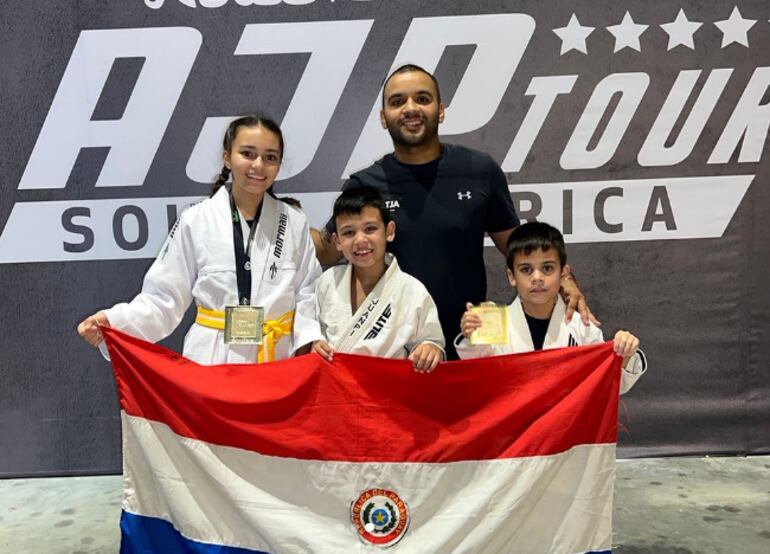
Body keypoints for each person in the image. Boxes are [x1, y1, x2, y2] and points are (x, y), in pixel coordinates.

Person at [312, 64, 594, 359]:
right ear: (384, 118)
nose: (410, 108)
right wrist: (283, 221)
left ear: (441, 110)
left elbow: (519, 247)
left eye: (422, 99)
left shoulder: (479, 170)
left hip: (470, 338)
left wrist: (564, 279)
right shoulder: (366, 184)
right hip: (396, 352)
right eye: (397, 102)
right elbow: (326, 249)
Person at [77, 115, 322, 364]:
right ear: (227, 157)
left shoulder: (293, 222)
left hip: (276, 359)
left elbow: (307, 292)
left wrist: (309, 340)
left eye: (270, 157)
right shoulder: (195, 219)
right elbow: (164, 298)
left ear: (279, 165)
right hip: (211, 359)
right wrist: (115, 322)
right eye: (247, 154)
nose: (258, 165)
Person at [456, 222, 646, 394]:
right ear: (511, 276)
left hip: (565, 429)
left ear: (563, 273)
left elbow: (609, 385)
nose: (537, 277)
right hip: (513, 430)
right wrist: (472, 335)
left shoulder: (582, 327)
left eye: (547, 268)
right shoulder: (492, 322)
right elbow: (479, 379)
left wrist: (626, 353)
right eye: (526, 270)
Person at [313, 187, 444, 372]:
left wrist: (430, 348)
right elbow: (310, 332)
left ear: (389, 231)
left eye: (370, 229)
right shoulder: (327, 282)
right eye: (349, 232)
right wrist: (315, 343)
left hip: (388, 392)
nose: (360, 240)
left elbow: (430, 341)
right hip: (336, 391)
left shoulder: (411, 289)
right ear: (337, 241)